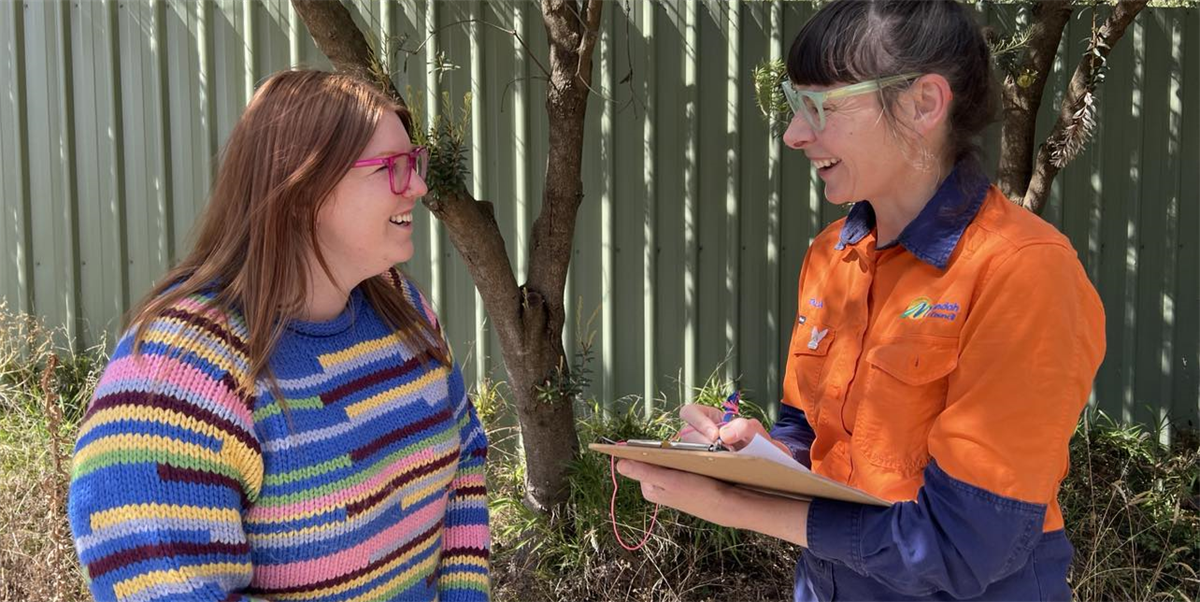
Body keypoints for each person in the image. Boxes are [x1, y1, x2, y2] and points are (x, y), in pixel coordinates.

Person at [615, 1, 1105, 601]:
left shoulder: (1023, 272)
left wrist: (730, 504)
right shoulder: (832, 255)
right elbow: (809, 440)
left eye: (820, 106)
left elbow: (962, 547)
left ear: (924, 103)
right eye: (797, 107)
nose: (795, 134)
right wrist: (744, 453)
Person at [67, 70, 489, 602]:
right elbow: (160, 586)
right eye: (391, 168)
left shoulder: (403, 310)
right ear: (303, 190)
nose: (420, 186)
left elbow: (466, 455)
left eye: (415, 162)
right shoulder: (177, 372)